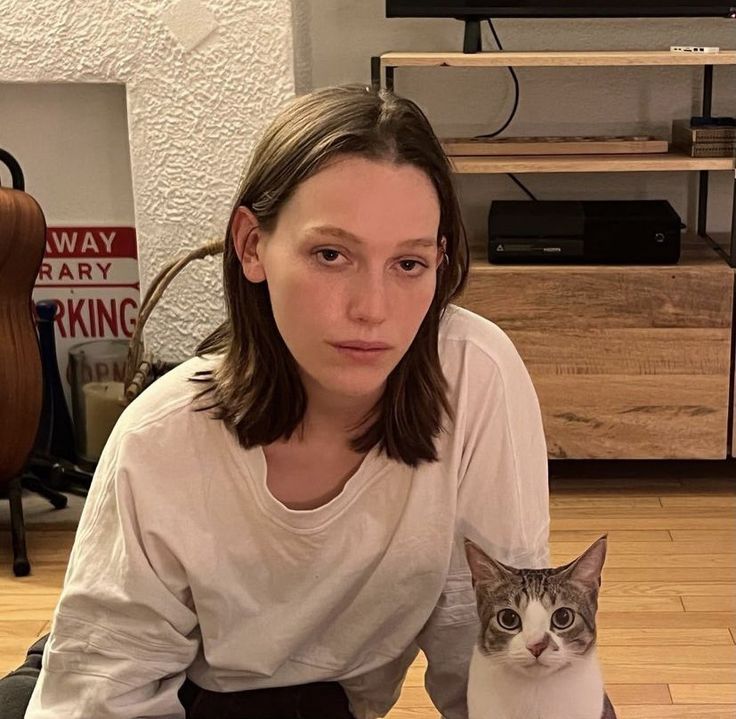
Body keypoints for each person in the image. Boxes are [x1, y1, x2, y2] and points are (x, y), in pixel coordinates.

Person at [13, 83, 549, 719]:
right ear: (251, 245)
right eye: (331, 254)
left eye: (408, 264)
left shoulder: (474, 372)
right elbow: (102, 692)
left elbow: (492, 636)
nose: (373, 311)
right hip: (134, 679)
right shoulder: (158, 438)